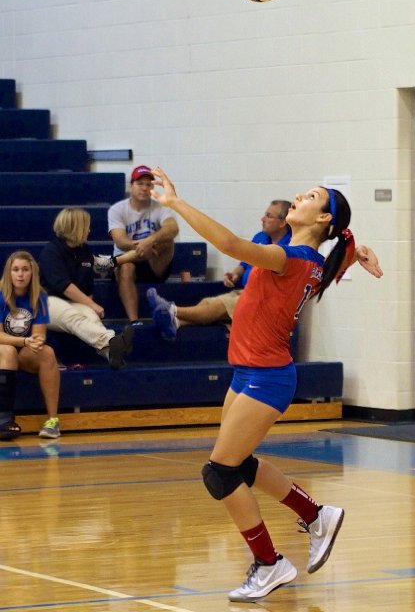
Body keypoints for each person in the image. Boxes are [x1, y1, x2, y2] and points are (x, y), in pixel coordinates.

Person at [150, 168, 382, 603]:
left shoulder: (289, 258)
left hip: (267, 376)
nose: (299, 195)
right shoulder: (310, 259)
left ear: (322, 219)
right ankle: (317, 516)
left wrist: (175, 203)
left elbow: (229, 244)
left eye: (311, 196)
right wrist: (354, 252)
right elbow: (335, 254)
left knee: (219, 473)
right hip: (248, 371)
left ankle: (270, 563)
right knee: (237, 466)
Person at [147, 199, 292, 339]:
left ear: (283, 222)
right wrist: (235, 274)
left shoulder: (288, 248)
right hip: (247, 291)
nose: (262, 219)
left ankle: (172, 310)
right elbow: (244, 264)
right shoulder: (260, 237)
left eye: (269, 216)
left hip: (265, 300)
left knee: (219, 306)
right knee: (206, 303)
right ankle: (176, 323)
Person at [39, 207, 137, 370]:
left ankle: (111, 353)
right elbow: (65, 287)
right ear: (76, 228)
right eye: (86, 226)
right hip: (46, 302)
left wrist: (90, 307)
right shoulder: (51, 252)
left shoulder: (83, 250)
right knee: (72, 316)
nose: (89, 230)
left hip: (73, 302)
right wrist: (92, 304)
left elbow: (93, 272)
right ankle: (113, 341)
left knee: (91, 318)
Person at [0, 251, 63, 440]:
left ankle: (52, 421)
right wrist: (23, 341)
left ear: (32, 273)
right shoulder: (1, 295)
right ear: (9, 273)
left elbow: (38, 335)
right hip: (4, 348)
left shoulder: (39, 297)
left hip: (23, 350)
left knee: (47, 353)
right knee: (8, 351)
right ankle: (3, 418)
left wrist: (36, 342)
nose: (20, 274)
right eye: (16, 270)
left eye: (25, 270)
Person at [108, 165, 179, 325]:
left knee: (167, 240)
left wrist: (150, 241)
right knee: (126, 267)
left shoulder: (160, 208)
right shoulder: (117, 209)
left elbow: (173, 228)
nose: (144, 188)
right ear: (131, 186)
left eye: (148, 185)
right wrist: (143, 246)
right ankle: (134, 321)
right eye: (140, 184)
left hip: (154, 262)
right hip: (127, 261)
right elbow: (120, 240)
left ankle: (113, 262)